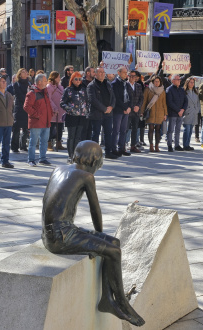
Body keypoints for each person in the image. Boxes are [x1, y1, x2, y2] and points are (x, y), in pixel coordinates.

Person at [41, 140, 145, 327]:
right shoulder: (86, 176)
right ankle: (122, 302)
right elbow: (95, 210)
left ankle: (107, 299)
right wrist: (97, 237)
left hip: (50, 233)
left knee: (113, 242)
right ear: (95, 161)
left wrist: (98, 241)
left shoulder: (58, 169)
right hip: (60, 237)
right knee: (113, 251)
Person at [87, 67, 117, 159]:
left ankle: (108, 152)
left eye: (103, 72)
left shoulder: (108, 84)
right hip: (97, 114)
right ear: (95, 74)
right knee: (95, 134)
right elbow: (93, 100)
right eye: (100, 72)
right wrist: (104, 109)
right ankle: (94, 154)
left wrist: (111, 107)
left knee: (108, 133)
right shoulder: (91, 85)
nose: (102, 74)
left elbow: (113, 97)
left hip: (108, 114)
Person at [24, 73, 53, 166]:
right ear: (39, 82)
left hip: (46, 121)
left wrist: (51, 113)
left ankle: (42, 158)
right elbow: (26, 107)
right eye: (45, 80)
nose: (46, 82)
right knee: (33, 141)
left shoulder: (45, 92)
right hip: (36, 121)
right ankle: (31, 159)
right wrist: (37, 115)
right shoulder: (32, 93)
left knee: (44, 141)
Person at [60, 72, 89, 163]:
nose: (78, 81)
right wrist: (70, 109)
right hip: (71, 116)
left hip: (81, 116)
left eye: (80, 79)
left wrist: (86, 109)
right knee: (71, 136)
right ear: (72, 80)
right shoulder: (68, 90)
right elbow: (62, 103)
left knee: (78, 137)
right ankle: (70, 155)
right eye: (76, 79)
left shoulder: (84, 90)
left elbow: (88, 101)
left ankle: (76, 155)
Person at [111, 66, 133, 156]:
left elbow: (131, 96)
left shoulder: (127, 84)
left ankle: (122, 148)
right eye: (124, 72)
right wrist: (124, 108)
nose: (126, 74)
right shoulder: (114, 84)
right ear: (119, 73)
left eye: (126, 72)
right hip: (118, 110)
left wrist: (129, 107)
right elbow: (116, 98)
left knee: (124, 130)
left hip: (126, 111)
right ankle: (113, 148)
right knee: (116, 130)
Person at [142, 76, 167, 152]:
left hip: (160, 112)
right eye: (155, 81)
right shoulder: (148, 89)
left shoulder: (162, 90)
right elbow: (144, 102)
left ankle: (157, 145)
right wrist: (142, 112)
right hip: (151, 112)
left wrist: (165, 113)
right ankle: (151, 145)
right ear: (152, 82)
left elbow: (164, 103)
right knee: (151, 129)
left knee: (158, 130)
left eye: (158, 81)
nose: (157, 83)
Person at [166, 73, 188, 152]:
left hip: (181, 113)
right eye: (177, 79)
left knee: (178, 130)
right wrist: (178, 110)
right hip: (173, 113)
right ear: (172, 81)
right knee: (171, 129)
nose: (179, 81)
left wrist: (183, 110)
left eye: (179, 79)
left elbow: (186, 100)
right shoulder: (169, 89)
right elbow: (170, 102)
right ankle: (169, 145)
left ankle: (177, 145)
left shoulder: (182, 89)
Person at [11, 68, 31, 152]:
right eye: (23, 72)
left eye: (26, 72)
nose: (25, 73)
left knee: (26, 128)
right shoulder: (16, 84)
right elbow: (18, 95)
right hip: (19, 107)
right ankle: (14, 146)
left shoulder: (29, 83)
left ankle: (23, 145)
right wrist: (27, 100)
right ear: (19, 74)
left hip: (28, 108)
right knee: (17, 128)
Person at [47, 72, 67, 152]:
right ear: (54, 77)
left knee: (60, 128)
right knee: (51, 128)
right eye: (58, 77)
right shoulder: (49, 87)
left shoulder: (60, 87)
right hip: (53, 111)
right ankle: (49, 143)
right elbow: (49, 99)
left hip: (61, 111)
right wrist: (54, 108)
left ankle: (58, 143)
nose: (59, 78)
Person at [127, 70, 143, 153]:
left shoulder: (138, 86)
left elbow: (141, 98)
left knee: (135, 129)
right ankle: (122, 145)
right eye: (131, 76)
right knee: (125, 128)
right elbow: (125, 98)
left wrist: (138, 106)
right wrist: (132, 107)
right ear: (128, 76)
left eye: (134, 76)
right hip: (128, 111)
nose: (133, 77)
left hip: (136, 111)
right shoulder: (125, 85)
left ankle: (133, 145)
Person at [182, 77, 200, 151]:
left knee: (190, 130)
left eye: (193, 82)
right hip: (187, 112)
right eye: (190, 82)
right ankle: (185, 145)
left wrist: (197, 110)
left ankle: (188, 144)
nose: (192, 84)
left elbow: (198, 103)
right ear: (187, 83)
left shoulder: (195, 92)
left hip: (194, 113)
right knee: (187, 129)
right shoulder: (184, 92)